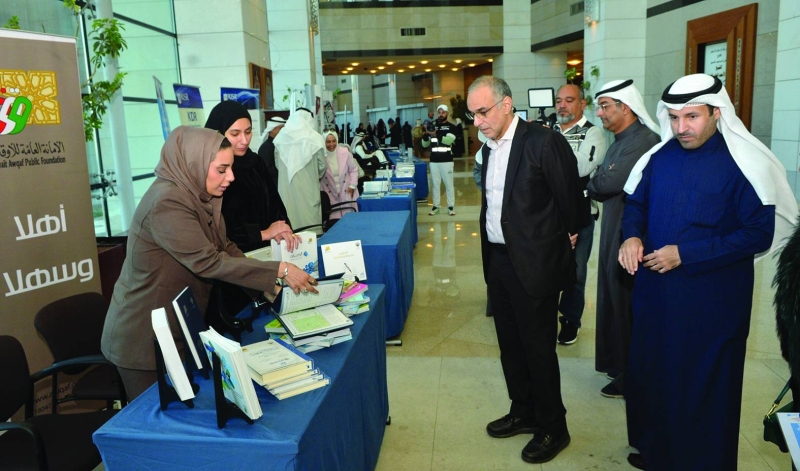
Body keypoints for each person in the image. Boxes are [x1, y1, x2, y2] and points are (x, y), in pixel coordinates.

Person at [619, 73, 795, 470]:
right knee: (655, 376)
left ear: (717, 113)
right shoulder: (659, 157)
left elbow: (757, 234)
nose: (682, 128)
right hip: (656, 294)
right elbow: (636, 206)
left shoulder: (744, 163)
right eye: (675, 117)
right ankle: (659, 453)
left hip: (712, 301)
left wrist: (686, 254)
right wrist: (631, 237)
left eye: (692, 117)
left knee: (704, 386)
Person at [101, 126, 318, 401]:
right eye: (222, 169)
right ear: (195, 163)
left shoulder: (199, 195)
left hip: (178, 326)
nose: (231, 177)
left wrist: (266, 288)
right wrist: (279, 270)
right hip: (144, 338)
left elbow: (225, 247)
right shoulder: (167, 202)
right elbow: (209, 262)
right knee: (160, 429)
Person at [468, 75, 580, 464]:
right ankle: (524, 411)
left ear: (506, 105)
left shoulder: (542, 141)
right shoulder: (489, 147)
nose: (477, 121)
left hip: (535, 264)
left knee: (538, 349)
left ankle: (554, 425)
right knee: (510, 346)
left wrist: (563, 237)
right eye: (473, 114)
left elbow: (572, 203)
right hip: (498, 260)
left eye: (482, 112)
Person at [586, 79, 660, 399]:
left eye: (605, 106)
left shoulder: (643, 140)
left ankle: (634, 377)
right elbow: (602, 179)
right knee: (613, 301)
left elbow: (605, 182)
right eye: (599, 106)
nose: (599, 113)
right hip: (613, 229)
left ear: (625, 107)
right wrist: (598, 179)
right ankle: (620, 366)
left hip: (630, 236)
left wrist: (597, 180)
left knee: (626, 305)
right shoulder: (619, 139)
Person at [552, 84, 607, 345]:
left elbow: (583, 166)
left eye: (569, 100)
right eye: (559, 100)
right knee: (547, 268)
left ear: (582, 104)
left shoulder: (592, 133)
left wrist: (550, 153)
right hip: (549, 215)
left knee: (576, 271)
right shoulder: (548, 131)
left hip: (581, 214)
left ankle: (571, 321)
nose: (562, 105)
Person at [205, 102, 294, 253]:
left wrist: (282, 228)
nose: (244, 140)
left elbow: (274, 202)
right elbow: (217, 227)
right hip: (233, 256)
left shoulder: (255, 162)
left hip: (269, 248)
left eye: (248, 132)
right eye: (235, 134)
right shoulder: (209, 169)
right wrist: (260, 234)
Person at [273, 108, 327, 232]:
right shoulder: (315, 139)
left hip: (286, 191)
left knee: (290, 226)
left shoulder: (280, 138)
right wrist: (312, 175)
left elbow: (277, 164)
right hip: (308, 191)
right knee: (310, 229)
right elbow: (322, 166)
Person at [422, 104, 462, 216]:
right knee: (435, 185)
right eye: (439, 112)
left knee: (449, 184)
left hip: (447, 161)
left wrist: (436, 134)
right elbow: (425, 144)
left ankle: (450, 207)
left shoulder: (451, 127)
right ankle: (435, 206)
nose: (441, 114)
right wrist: (426, 135)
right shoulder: (433, 126)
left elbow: (448, 141)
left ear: (447, 113)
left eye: (443, 112)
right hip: (434, 161)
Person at [320, 130, 359, 220]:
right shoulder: (321, 155)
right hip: (329, 191)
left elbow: (353, 169)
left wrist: (352, 185)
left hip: (347, 189)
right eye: (328, 141)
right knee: (334, 220)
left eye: (334, 141)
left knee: (350, 219)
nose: (331, 144)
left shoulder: (345, 153)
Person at [257, 116, 286, 191]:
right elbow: (268, 169)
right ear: (272, 129)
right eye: (280, 128)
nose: (283, 130)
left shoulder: (278, 144)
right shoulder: (266, 147)